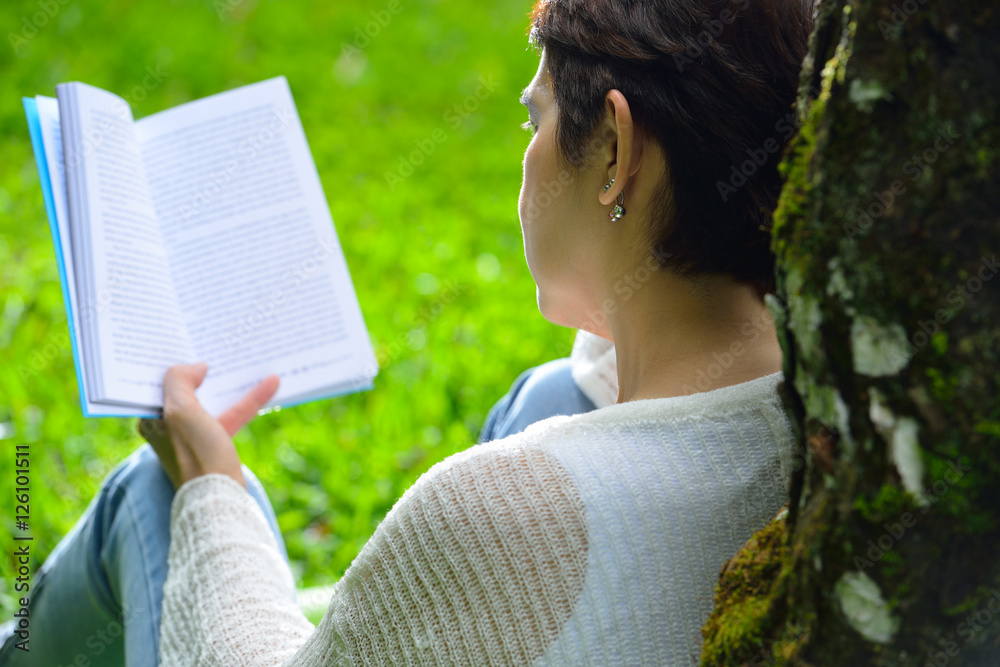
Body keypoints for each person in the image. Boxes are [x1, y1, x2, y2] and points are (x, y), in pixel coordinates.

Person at [1, 0, 815, 663]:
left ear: (613, 148)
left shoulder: (492, 512)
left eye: (532, 121)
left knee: (158, 493)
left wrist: (210, 482)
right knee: (553, 391)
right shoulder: (848, 421)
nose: (527, 154)